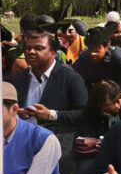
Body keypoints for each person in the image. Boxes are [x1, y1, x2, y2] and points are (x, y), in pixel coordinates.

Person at [8, 28, 89, 166]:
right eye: (28, 48)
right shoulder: (17, 80)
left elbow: (84, 115)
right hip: (21, 148)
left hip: (58, 151)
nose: (31, 52)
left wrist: (51, 115)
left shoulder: (70, 78)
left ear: (53, 52)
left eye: (38, 48)